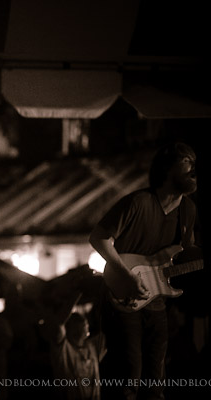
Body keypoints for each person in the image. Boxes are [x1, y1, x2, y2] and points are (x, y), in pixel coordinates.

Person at [89, 142, 199, 399]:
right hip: (122, 299)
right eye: (186, 161)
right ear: (166, 167)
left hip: (157, 302)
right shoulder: (138, 203)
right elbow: (99, 237)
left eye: (194, 162)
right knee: (128, 377)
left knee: (155, 382)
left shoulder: (188, 210)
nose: (193, 168)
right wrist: (126, 275)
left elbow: (187, 251)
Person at [43, 292, 106, 400]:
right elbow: (58, 325)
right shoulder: (62, 349)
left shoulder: (92, 346)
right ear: (69, 328)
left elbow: (109, 324)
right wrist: (78, 291)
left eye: (84, 321)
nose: (83, 322)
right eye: (76, 321)